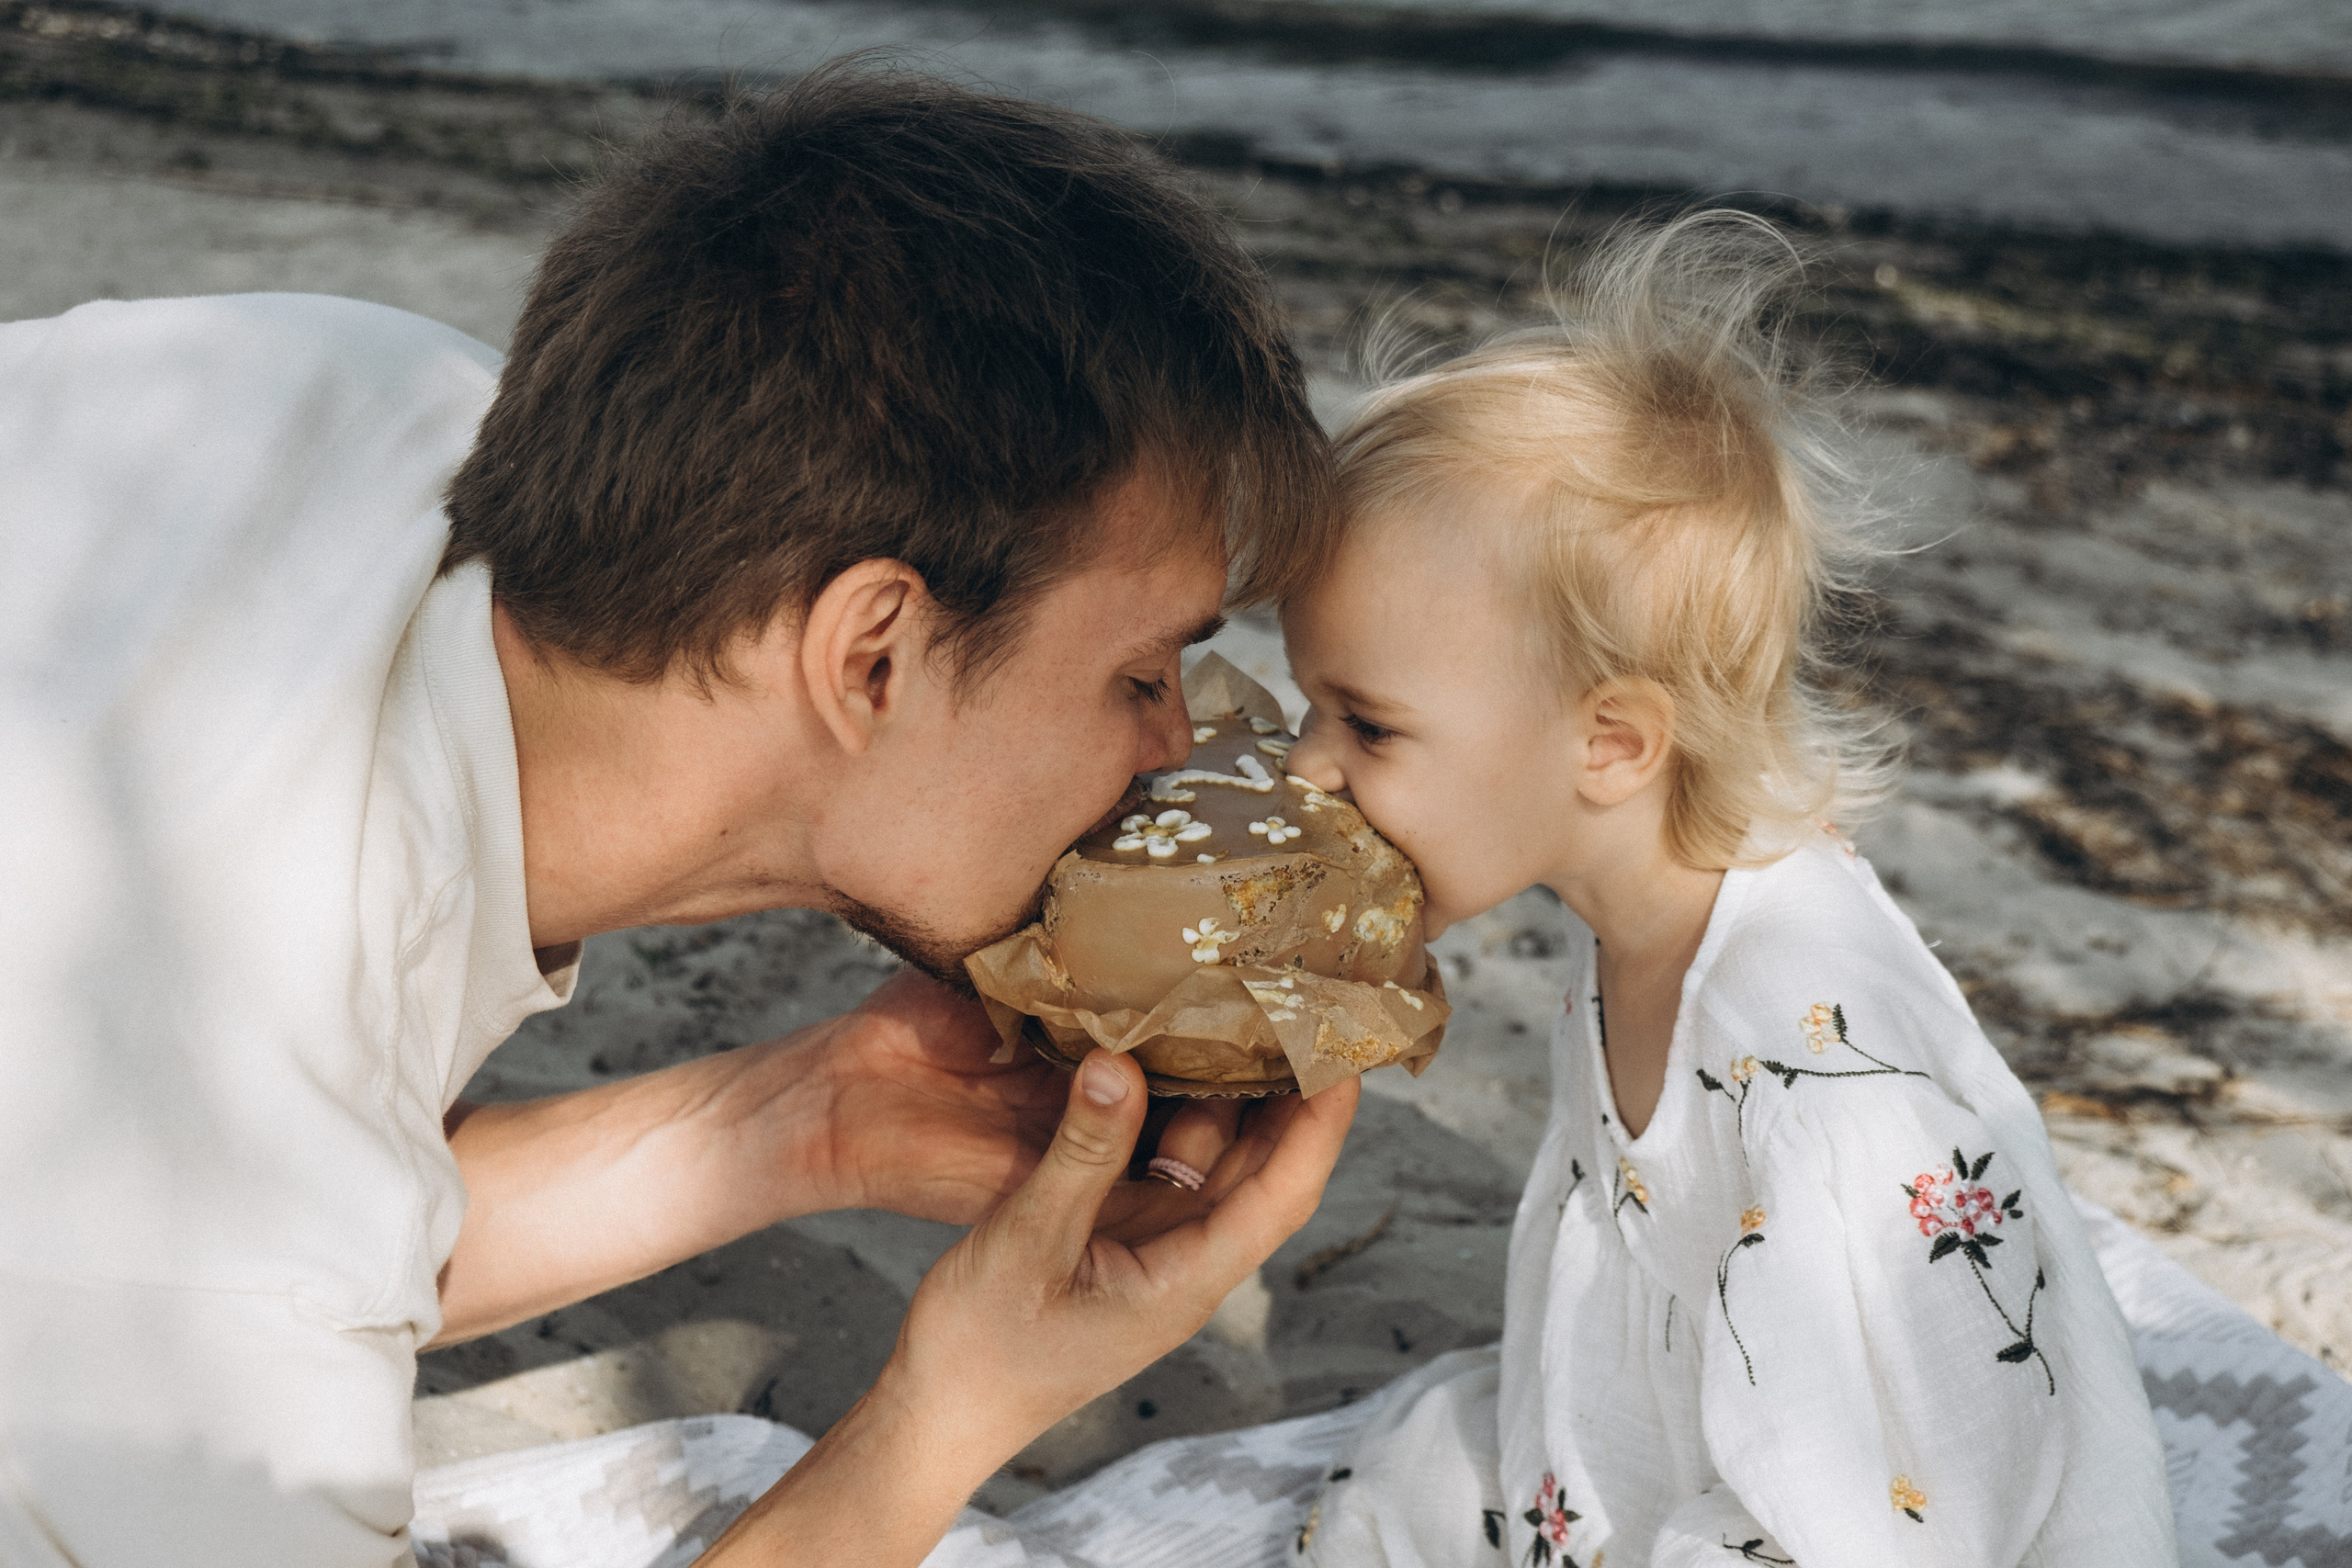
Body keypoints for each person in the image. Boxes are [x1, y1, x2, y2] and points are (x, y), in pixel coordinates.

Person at [0, 66, 1358, 1567]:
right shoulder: (191, 1223)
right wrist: (952, 1406)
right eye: (1139, 673)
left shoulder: (343, 388)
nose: (1176, 745)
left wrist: (807, 1120)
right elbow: (216, 1268)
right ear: (872, 656)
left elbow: (308, 1242)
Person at [1272, 213, 2177, 1566]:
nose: (1308, 774)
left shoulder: (1815, 1057)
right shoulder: (1628, 907)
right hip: (1707, 1421)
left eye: (1367, 726)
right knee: (1402, 1477)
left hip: (1884, 1504)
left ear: (1613, 744)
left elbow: (1910, 1465)